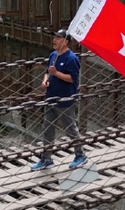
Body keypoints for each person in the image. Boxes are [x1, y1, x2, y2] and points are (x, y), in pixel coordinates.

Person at [31, 30, 87, 171]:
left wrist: (57, 73)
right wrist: (45, 81)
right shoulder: (53, 55)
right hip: (51, 98)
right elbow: (47, 72)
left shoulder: (71, 58)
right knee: (48, 129)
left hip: (64, 100)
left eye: (58, 38)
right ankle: (46, 158)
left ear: (66, 41)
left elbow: (72, 79)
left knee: (70, 129)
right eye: (54, 37)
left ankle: (80, 154)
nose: (54, 40)